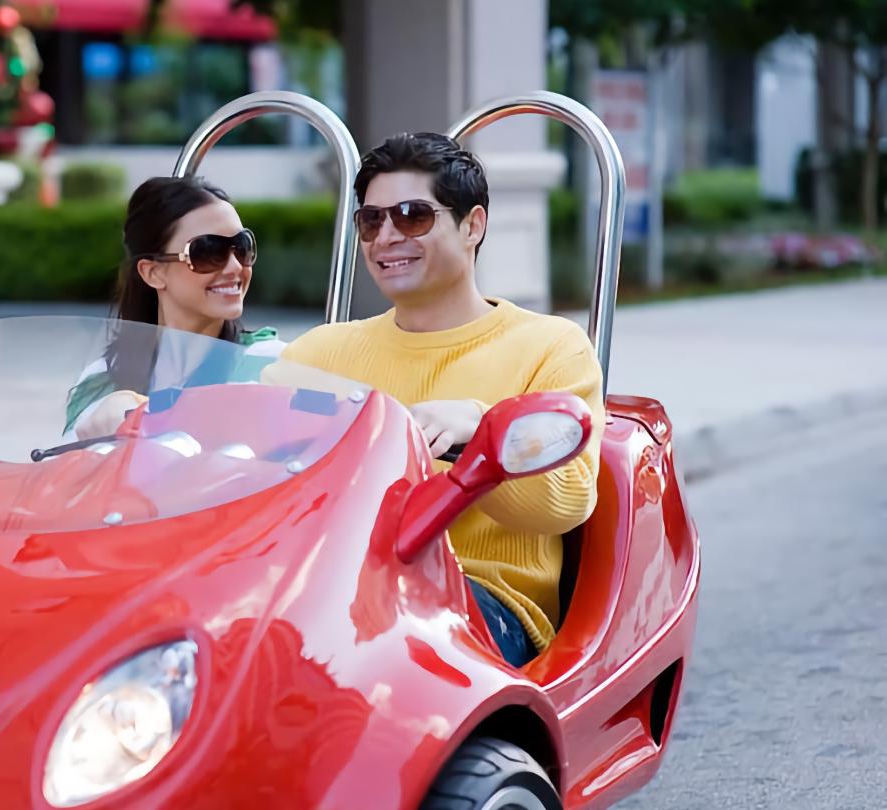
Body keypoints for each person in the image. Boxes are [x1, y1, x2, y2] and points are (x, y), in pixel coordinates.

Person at [276, 133, 606, 666]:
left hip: (482, 600)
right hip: (329, 585)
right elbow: (240, 445)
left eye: (412, 216)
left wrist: (481, 429)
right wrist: (150, 415)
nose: (387, 237)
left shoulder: (550, 345)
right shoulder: (319, 353)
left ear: (473, 225)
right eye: (371, 221)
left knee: (373, 636)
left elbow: (567, 504)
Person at [66, 176, 284, 438]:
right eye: (207, 251)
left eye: (242, 247)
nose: (235, 267)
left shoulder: (272, 365)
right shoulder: (102, 381)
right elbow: (69, 460)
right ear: (153, 273)